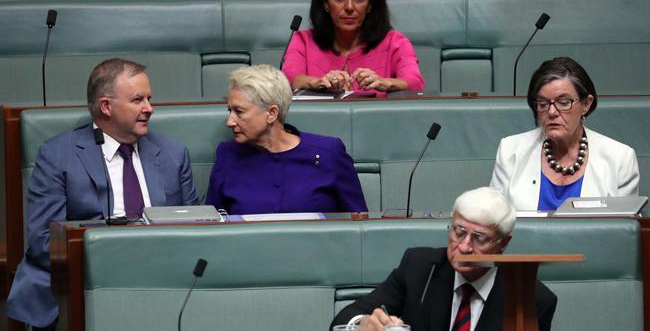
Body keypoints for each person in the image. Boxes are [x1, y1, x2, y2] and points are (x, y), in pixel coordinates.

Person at [5, 58, 199, 330]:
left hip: (162, 278)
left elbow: (197, 228)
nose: (149, 108)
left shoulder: (173, 154)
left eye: (149, 98)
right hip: (81, 279)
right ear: (106, 106)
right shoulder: (58, 155)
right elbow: (43, 241)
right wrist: (110, 260)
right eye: (137, 100)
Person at [331, 187, 557, 331]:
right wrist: (361, 326)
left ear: (503, 243)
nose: (465, 246)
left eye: (479, 238)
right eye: (459, 231)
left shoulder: (533, 300)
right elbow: (344, 319)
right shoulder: (418, 267)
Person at [204, 64, 367, 214]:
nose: (230, 122)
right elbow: (213, 226)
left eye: (239, 112)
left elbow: (358, 222)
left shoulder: (328, 153)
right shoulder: (227, 156)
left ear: (271, 113)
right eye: (229, 111)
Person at [490, 56, 639, 211]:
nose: (552, 112)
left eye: (563, 102)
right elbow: (493, 221)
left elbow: (625, 229)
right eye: (543, 103)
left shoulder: (620, 158)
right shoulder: (511, 150)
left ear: (586, 104)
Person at [281, 0, 424, 97]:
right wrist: (318, 83)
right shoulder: (303, 41)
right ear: (325, 2)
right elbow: (288, 80)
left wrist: (384, 82)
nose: (349, 7)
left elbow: (415, 83)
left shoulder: (395, 42)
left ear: (370, 4)